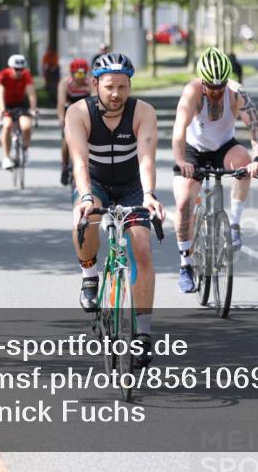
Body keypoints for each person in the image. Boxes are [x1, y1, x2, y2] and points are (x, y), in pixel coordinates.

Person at [66, 52, 165, 366]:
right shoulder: (78, 112)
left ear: (130, 86)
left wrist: (149, 194)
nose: (116, 94)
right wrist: (85, 197)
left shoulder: (142, 112)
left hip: (131, 184)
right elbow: (79, 161)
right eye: (109, 86)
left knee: (142, 248)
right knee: (84, 219)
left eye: (122, 86)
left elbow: (146, 158)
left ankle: (143, 334)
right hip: (94, 183)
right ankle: (89, 276)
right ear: (95, 84)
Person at [172, 47, 258, 293]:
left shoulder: (236, 92)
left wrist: (257, 159)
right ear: (202, 82)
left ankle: (233, 225)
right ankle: (185, 265)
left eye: (220, 86)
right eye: (211, 87)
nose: (216, 91)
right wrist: (181, 161)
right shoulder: (192, 92)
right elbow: (179, 131)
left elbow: (255, 126)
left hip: (224, 147)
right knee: (184, 203)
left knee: (244, 162)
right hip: (193, 151)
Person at [0, 54, 38, 170]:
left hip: (21, 104)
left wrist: (33, 108)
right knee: (7, 125)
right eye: (16, 69)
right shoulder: (2, 75)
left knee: (26, 126)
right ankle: (6, 157)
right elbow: (0, 93)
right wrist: (2, 109)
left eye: (21, 69)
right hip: (7, 105)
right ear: (10, 68)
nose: (19, 71)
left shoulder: (26, 75)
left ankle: (25, 150)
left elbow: (31, 93)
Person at [56, 58, 93, 186]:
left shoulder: (90, 82)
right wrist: (61, 119)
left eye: (83, 74)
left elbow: (95, 98)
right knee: (66, 140)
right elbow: (61, 104)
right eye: (78, 74)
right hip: (70, 111)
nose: (80, 78)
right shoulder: (65, 83)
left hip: (85, 110)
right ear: (72, 73)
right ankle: (65, 165)